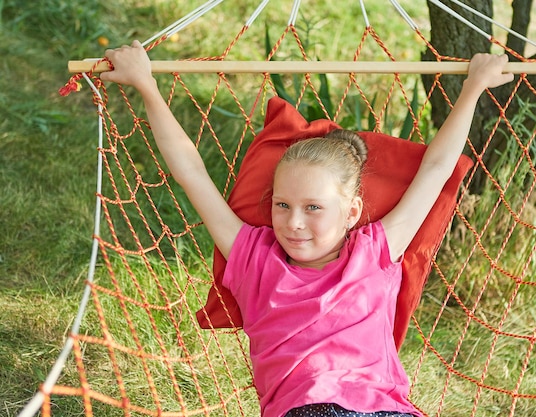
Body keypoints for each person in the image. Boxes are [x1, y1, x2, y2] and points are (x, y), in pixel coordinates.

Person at [101, 40, 514, 417]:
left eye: (313, 208)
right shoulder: (252, 258)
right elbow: (192, 172)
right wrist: (145, 85)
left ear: (352, 212)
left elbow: (437, 169)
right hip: (308, 408)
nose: (293, 223)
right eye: (282, 205)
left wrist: (473, 88)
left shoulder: (375, 251)